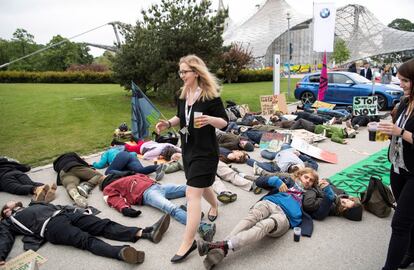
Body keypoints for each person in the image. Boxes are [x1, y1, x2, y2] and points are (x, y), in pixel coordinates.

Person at [155, 54, 228, 263]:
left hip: (206, 152)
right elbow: (181, 117)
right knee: (202, 185)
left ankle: (188, 243)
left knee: (192, 193)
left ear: (196, 72)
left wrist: (209, 119)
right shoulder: (184, 94)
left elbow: (224, 122)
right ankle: (215, 206)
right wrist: (167, 124)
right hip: (188, 149)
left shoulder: (210, 96)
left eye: (184, 72)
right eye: (180, 72)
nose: (181, 75)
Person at [196, 168, 318, 269]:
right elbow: (260, 181)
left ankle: (220, 246)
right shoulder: (288, 180)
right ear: (300, 175)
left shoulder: (311, 195)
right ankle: (221, 249)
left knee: (265, 225)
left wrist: (327, 192)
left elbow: (322, 211)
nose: (307, 181)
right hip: (270, 202)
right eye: (306, 177)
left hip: (285, 217)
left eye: (311, 181)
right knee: (251, 217)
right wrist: (276, 181)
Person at [0, 200, 171, 265]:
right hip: (51, 227)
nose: (13, 204)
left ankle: (146, 232)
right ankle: (121, 253)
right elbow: (5, 238)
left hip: (66, 215)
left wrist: (82, 210)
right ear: (6, 212)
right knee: (86, 240)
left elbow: (58, 206)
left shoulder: (33, 205)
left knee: (103, 225)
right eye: (9, 205)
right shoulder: (8, 222)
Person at [100, 173, 216, 241]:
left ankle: (187, 208)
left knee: (191, 187)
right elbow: (113, 199)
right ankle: (203, 227)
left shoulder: (128, 176)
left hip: (157, 187)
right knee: (172, 209)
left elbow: (143, 176)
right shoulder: (109, 187)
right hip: (147, 194)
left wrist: (151, 180)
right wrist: (125, 208)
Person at [377, 58, 414, 270]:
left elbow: (404, 133)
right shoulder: (404, 103)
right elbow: (397, 131)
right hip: (398, 168)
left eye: (406, 81)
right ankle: (411, 252)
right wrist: (388, 131)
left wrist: (401, 132)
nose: (401, 84)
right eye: (400, 80)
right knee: (409, 218)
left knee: (399, 224)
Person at [92, 144, 165, 180]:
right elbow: (134, 154)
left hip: (122, 156)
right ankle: (157, 167)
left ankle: (129, 174)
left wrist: (93, 164)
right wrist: (134, 159)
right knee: (140, 171)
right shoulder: (118, 150)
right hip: (130, 156)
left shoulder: (106, 153)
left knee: (107, 172)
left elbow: (100, 165)